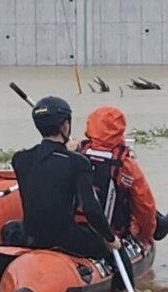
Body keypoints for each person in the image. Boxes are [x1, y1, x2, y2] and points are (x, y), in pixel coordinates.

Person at [10, 95, 120, 260]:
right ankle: (123, 283)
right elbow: (90, 208)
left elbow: (48, 169)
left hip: (31, 237)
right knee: (113, 249)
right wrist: (110, 238)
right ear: (65, 125)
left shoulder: (20, 159)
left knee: (10, 228)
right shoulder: (77, 162)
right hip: (66, 240)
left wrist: (64, 151)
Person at [75, 105, 168, 248]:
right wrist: (146, 235)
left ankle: (159, 223)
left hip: (74, 230)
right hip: (112, 235)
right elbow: (144, 204)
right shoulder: (126, 166)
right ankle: (159, 226)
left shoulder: (74, 155)